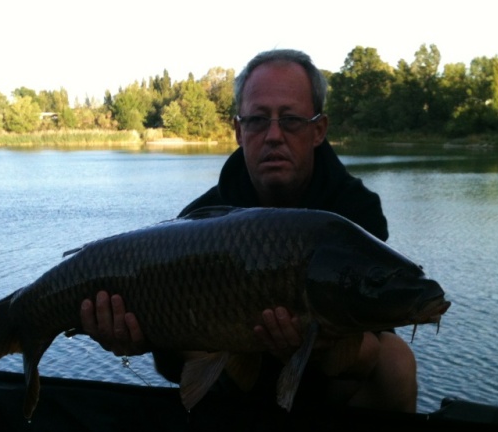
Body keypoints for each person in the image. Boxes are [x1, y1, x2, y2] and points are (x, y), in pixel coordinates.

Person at [80, 49, 419, 412]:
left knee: (394, 360)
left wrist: (317, 344)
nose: (274, 135)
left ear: (318, 129)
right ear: (239, 131)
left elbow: (369, 346)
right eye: (258, 120)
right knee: (185, 336)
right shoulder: (198, 223)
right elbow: (172, 366)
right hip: (234, 390)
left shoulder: (353, 210)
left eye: (290, 120)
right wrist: (140, 335)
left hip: (329, 385)